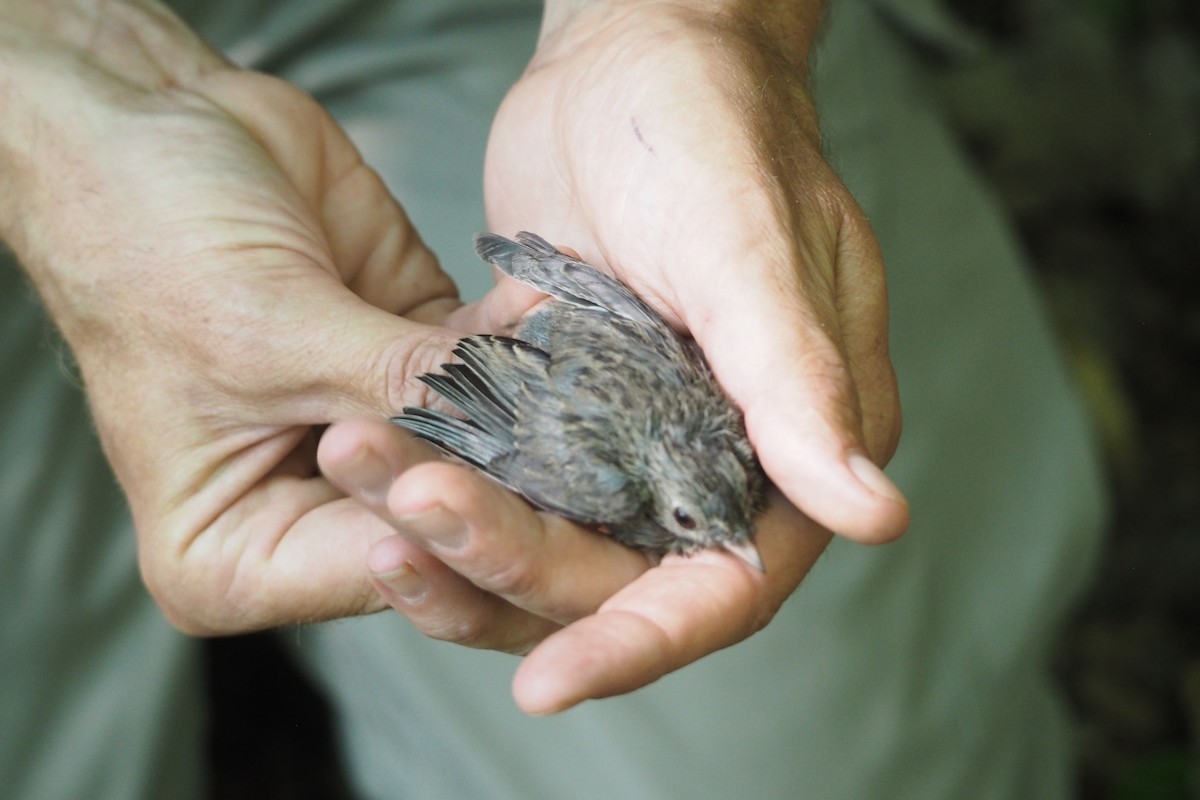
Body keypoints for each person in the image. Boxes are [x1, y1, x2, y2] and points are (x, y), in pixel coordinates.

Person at [0, 0, 1104, 798]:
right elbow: (467, 392)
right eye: (689, 525)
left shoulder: (706, 437)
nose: (728, 543)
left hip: (480, 37)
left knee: (809, 758)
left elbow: (568, 326)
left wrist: (690, 26)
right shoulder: (599, 470)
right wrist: (52, 116)